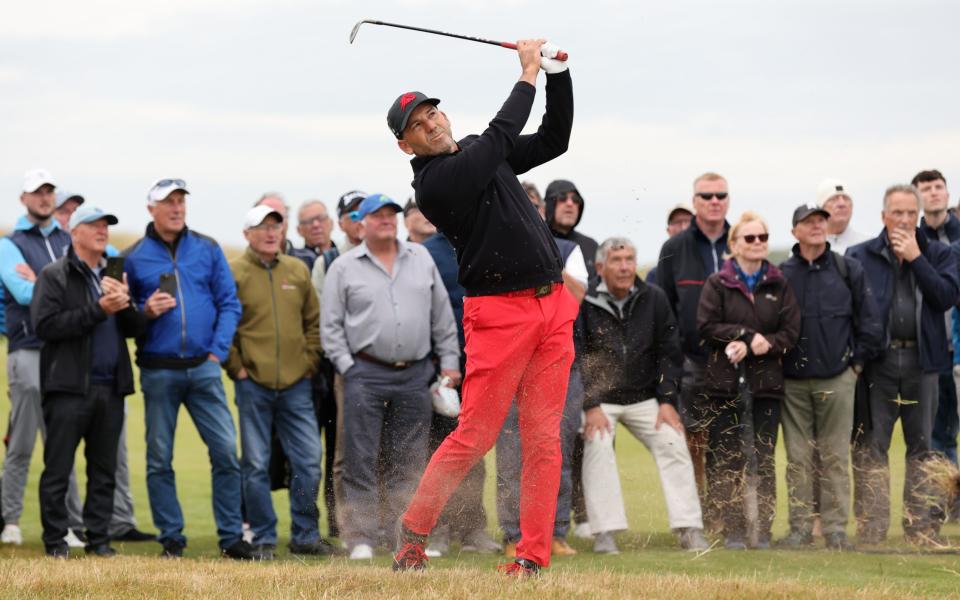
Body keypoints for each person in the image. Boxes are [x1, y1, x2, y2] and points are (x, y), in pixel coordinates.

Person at [388, 39, 576, 577]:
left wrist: (559, 77)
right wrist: (527, 73)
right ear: (407, 146)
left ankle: (530, 558)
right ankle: (414, 535)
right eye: (418, 126)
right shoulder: (436, 184)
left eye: (432, 113)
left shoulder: (474, 149)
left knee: (543, 439)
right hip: (498, 315)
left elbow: (554, 140)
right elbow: (498, 139)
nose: (432, 125)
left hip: (551, 306)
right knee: (476, 435)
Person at [321, 193, 460, 560]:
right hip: (364, 372)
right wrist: (348, 367)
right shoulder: (344, 267)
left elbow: (441, 316)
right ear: (361, 223)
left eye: (390, 214)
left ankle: (406, 538)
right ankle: (361, 538)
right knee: (359, 458)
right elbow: (331, 327)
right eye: (376, 215)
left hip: (415, 373)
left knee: (410, 460)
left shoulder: (421, 259)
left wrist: (449, 361)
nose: (385, 220)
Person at [123, 178, 252, 559]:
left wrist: (216, 352)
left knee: (226, 453)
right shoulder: (133, 256)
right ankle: (172, 538)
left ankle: (231, 538)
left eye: (181, 201)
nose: (177, 208)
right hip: (158, 371)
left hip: (204, 368)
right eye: (168, 202)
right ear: (152, 209)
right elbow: (125, 320)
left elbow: (229, 303)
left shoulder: (208, 248)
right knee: (159, 458)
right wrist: (145, 312)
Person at [846, 184, 959, 546]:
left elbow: (944, 297)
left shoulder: (939, 254)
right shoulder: (859, 255)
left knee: (922, 446)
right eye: (898, 213)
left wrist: (916, 258)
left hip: (923, 362)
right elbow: (853, 312)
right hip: (878, 363)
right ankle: (872, 527)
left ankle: (919, 527)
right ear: (883, 216)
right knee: (873, 444)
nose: (906, 219)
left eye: (912, 213)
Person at [580, 237, 708, 554]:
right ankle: (605, 532)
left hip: (646, 398)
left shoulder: (654, 298)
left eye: (629, 259)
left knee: (672, 440)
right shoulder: (584, 303)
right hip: (601, 401)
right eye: (616, 260)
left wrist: (667, 401)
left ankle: (688, 527)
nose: (624, 267)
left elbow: (669, 353)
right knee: (597, 444)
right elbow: (578, 356)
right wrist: (591, 405)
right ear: (600, 267)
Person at [31, 206, 147, 558]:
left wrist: (128, 306)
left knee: (104, 470)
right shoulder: (55, 275)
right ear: (74, 232)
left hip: (110, 387)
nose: (102, 231)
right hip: (67, 388)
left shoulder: (114, 273)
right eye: (94, 225)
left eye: (106, 226)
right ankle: (55, 542)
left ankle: (99, 541)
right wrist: (100, 309)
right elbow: (46, 326)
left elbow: (132, 329)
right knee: (58, 469)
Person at [227, 205, 339, 560]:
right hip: (252, 384)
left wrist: (308, 362)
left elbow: (313, 321)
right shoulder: (235, 272)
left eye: (276, 225)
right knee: (256, 464)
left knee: (308, 460)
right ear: (247, 234)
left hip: (296, 385)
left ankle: (305, 535)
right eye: (262, 227)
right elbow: (224, 324)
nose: (271, 232)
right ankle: (262, 537)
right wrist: (237, 367)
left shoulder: (296, 270)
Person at [778, 204, 882, 550]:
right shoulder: (781, 274)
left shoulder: (847, 269)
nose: (817, 226)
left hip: (837, 378)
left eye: (821, 221)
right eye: (808, 222)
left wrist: (855, 367)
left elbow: (869, 323)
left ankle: (836, 530)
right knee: (798, 459)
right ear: (795, 231)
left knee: (835, 457)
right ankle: (799, 530)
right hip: (792, 382)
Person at [697, 211, 800, 550]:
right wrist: (743, 334)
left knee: (763, 458)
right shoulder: (718, 282)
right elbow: (707, 327)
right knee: (728, 458)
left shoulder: (779, 282)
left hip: (766, 385)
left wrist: (766, 343)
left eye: (763, 238)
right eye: (750, 238)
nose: (758, 244)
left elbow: (791, 331)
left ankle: (763, 530)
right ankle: (734, 530)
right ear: (735, 244)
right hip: (725, 385)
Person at [496, 185, 587, 559]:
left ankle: (555, 533)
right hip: (511, 366)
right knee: (511, 454)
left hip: (556, 365)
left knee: (554, 451)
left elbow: (575, 295)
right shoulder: (495, 248)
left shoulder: (567, 249)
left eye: (532, 207)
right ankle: (512, 535)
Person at [0, 168, 86, 548]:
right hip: (28, 349)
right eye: (37, 192)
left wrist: (40, 281)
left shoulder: (69, 239)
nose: (44, 198)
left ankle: (70, 524)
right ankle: (10, 520)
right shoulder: (10, 243)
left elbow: (87, 287)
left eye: (49, 192)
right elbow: (21, 294)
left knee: (62, 441)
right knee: (21, 442)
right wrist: (46, 287)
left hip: (63, 353)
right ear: (24, 199)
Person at [420, 219, 502, 558]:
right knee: (437, 451)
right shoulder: (427, 253)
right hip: (438, 369)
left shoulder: (485, 241)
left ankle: (471, 529)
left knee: (474, 450)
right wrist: (438, 365)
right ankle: (435, 528)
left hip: (480, 365)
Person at [656, 172, 732, 530]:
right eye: (707, 195)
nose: (714, 201)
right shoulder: (675, 248)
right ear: (696, 200)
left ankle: (725, 514)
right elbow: (667, 309)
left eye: (720, 195)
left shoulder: (742, 239)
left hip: (735, 361)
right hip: (692, 360)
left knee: (729, 441)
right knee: (694, 443)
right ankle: (696, 517)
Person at [913, 170, 960, 469]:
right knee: (938, 434)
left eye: (938, 186)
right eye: (926, 188)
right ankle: (948, 499)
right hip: (931, 352)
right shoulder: (913, 242)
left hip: (959, 346)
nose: (933, 192)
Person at [311, 190, 365, 299]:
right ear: (341, 225)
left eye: (365, 214)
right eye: (354, 216)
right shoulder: (326, 263)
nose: (361, 220)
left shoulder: (390, 255)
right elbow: (321, 309)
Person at [646, 203, 694, 284]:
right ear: (669, 230)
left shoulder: (709, 266)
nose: (683, 227)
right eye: (677, 222)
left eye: (687, 221)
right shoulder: (655, 275)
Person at [818, 179, 869, 254]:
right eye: (834, 199)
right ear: (821, 209)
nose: (842, 204)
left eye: (846, 199)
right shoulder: (808, 249)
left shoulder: (868, 246)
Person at [296, 199, 335, 265]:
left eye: (321, 218)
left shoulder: (345, 254)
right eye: (309, 221)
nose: (316, 225)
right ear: (299, 230)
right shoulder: (296, 264)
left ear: (331, 223)